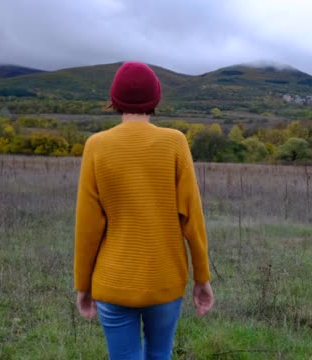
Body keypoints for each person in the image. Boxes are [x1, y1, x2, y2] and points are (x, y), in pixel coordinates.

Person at [73, 61, 214, 359]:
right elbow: (193, 219)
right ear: (156, 99)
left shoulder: (95, 146)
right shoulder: (175, 143)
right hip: (165, 281)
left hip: (112, 283)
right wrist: (202, 278)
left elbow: (88, 228)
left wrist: (82, 285)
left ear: (114, 99)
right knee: (160, 354)